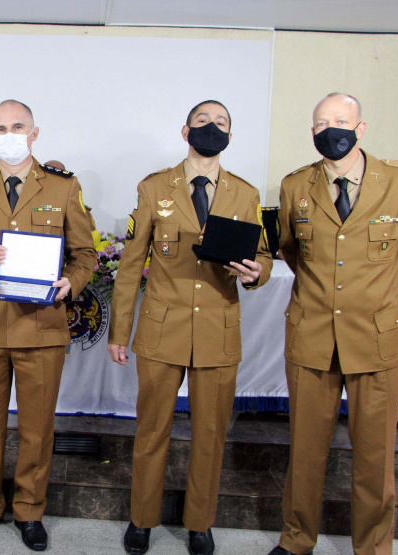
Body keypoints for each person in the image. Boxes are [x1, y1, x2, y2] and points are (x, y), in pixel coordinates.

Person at [268, 93, 398, 555]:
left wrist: (367, 295)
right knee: (305, 450)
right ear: (311, 132)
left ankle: (373, 548)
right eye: (321, 123)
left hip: (376, 337)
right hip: (312, 335)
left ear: (360, 129)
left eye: (340, 120)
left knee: (376, 457)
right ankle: (296, 540)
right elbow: (292, 252)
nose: (330, 130)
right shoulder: (295, 185)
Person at [108, 100, 272, 555]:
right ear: (185, 132)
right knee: (151, 430)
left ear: (230, 137)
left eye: (220, 123)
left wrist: (256, 272)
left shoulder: (245, 194)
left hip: (218, 328)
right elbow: (130, 265)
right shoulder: (154, 187)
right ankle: (142, 519)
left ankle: (200, 522)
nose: (211, 128)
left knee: (211, 435)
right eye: (202, 121)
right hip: (163, 328)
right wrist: (120, 331)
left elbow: (262, 256)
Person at [0, 99, 96, 551]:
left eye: (18, 126)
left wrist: (72, 282)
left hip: (41, 325)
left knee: (36, 428)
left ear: (34, 133)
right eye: (1, 128)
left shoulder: (64, 186)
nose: (9, 135)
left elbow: (86, 253)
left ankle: (30, 511)